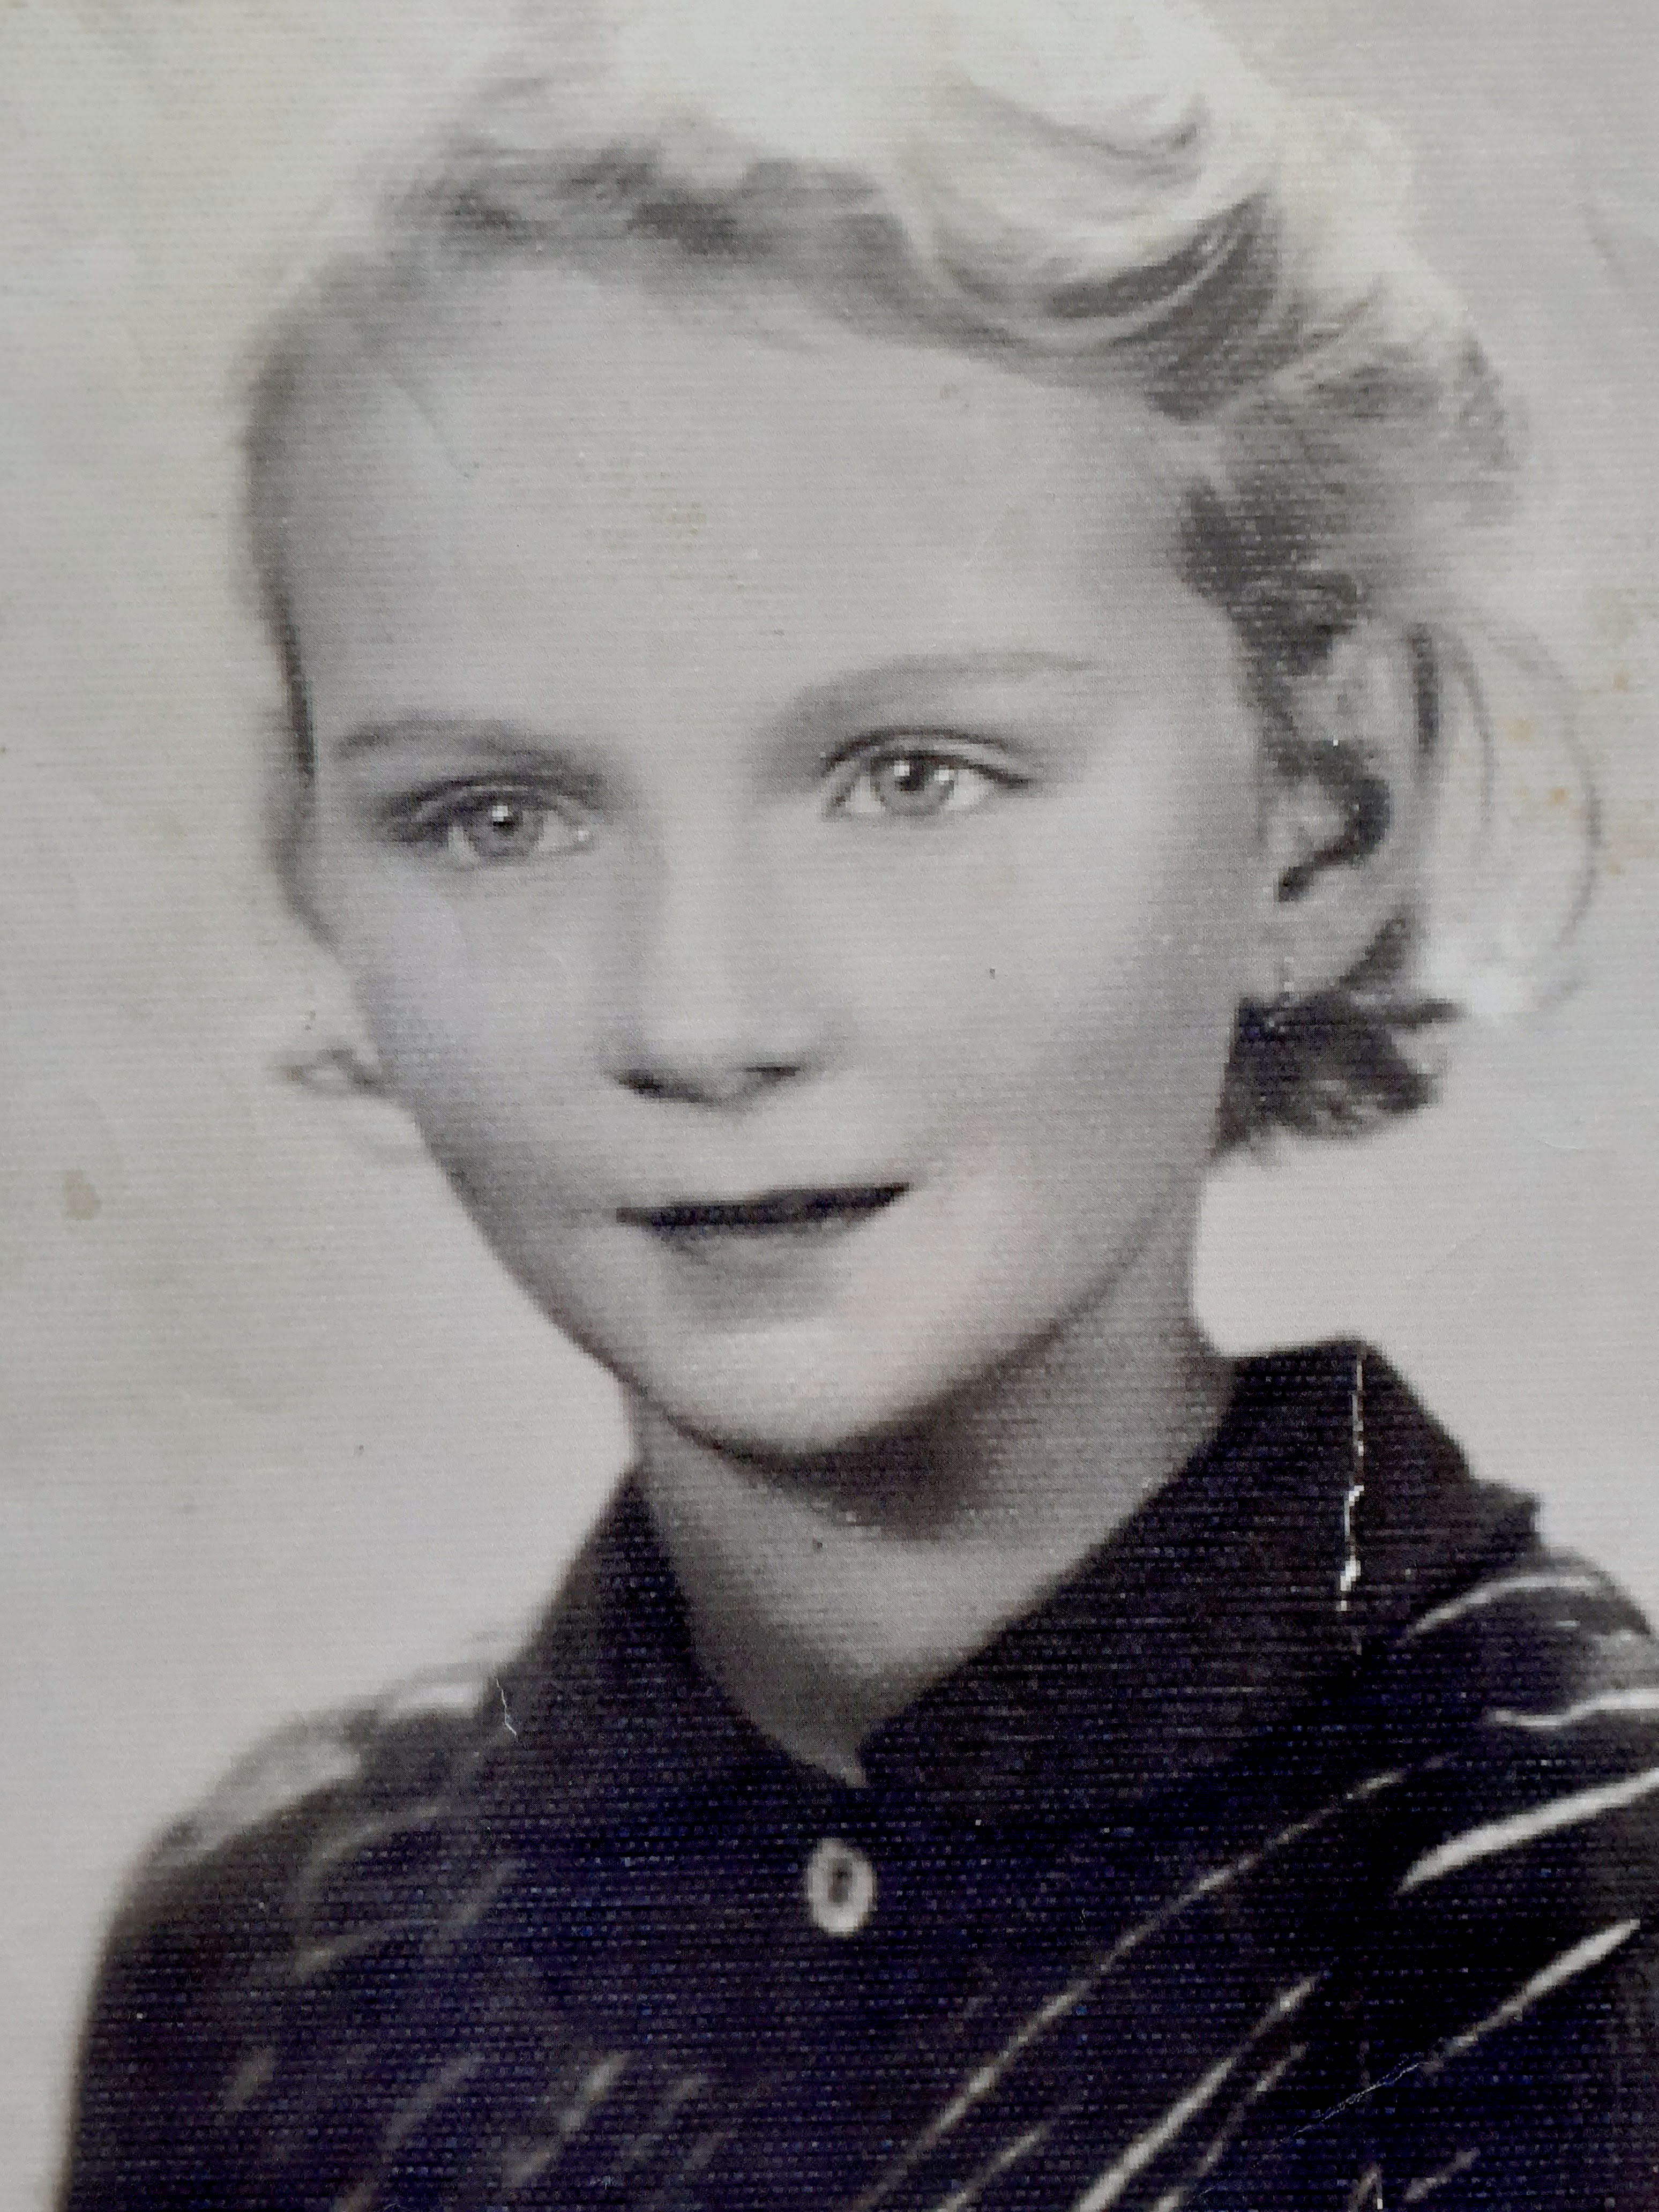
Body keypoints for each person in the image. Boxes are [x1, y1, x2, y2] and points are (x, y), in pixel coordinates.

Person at [58, 1, 1657, 2205]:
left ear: (1322, 806)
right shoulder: (272, 1967)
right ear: (315, 862)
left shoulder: (1577, 1935)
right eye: (498, 815)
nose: (699, 1018)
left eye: (914, 776)